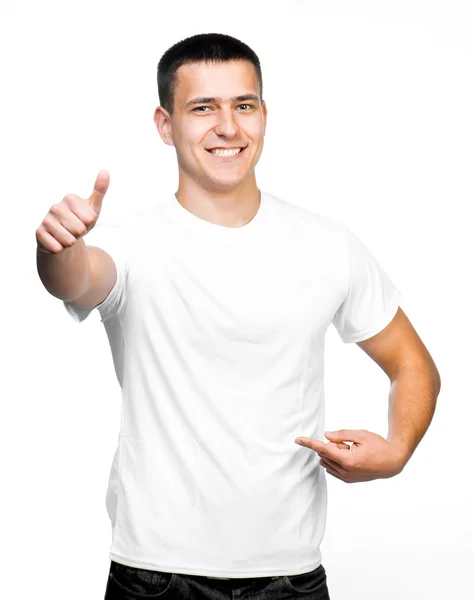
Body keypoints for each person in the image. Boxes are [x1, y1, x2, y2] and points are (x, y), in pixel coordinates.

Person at [36, 32, 441, 600]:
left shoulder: (328, 245)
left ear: (263, 115)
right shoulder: (130, 246)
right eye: (203, 108)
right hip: (154, 577)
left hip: (291, 578)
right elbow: (76, 279)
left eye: (243, 105)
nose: (228, 127)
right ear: (164, 124)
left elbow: (412, 362)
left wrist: (398, 449)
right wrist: (58, 248)